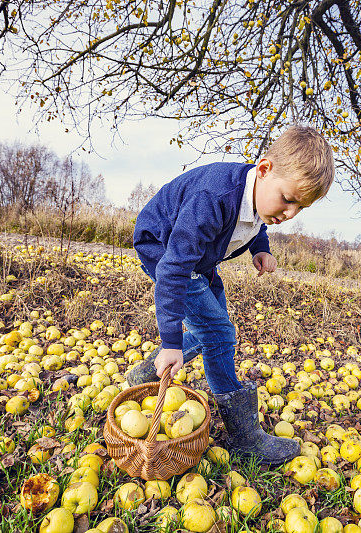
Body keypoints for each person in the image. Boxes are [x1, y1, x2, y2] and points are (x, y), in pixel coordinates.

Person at [128, 125, 334, 466]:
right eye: (288, 200)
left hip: (200, 259)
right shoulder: (215, 197)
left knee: (215, 328)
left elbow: (257, 223)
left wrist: (261, 248)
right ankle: (244, 436)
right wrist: (169, 341)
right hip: (165, 251)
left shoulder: (258, 195)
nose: (291, 214)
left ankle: (145, 374)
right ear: (265, 169)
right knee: (218, 332)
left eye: (301, 207)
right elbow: (172, 268)